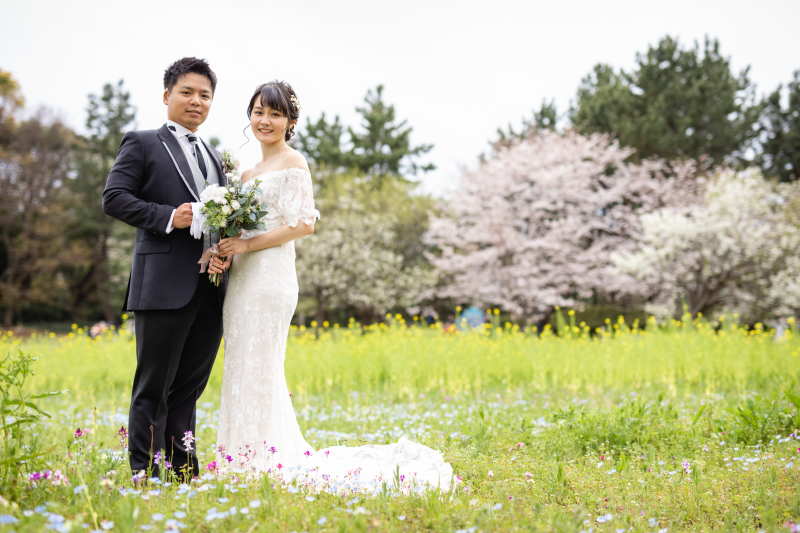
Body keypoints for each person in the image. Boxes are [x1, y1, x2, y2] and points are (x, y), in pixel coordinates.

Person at [214, 81, 453, 490]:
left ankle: (263, 458)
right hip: (241, 279)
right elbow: (239, 225)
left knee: (263, 364)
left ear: (290, 120)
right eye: (258, 112)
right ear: (249, 116)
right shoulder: (245, 170)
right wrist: (227, 250)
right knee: (241, 363)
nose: (265, 121)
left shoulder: (295, 162)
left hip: (270, 279)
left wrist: (248, 243)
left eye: (275, 114)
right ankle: (241, 456)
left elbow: (303, 224)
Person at [102, 57, 228, 478]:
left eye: (205, 95)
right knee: (152, 388)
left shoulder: (213, 155)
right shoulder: (141, 142)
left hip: (210, 287)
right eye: (187, 92)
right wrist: (169, 216)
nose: (196, 101)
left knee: (189, 390)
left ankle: (183, 473)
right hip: (162, 285)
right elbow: (114, 197)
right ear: (167, 96)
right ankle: (145, 475)